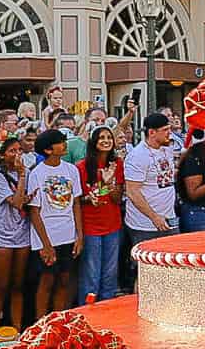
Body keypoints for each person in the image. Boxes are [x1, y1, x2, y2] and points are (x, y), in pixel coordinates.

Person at [26, 129, 83, 317]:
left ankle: (59, 321)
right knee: (46, 280)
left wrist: (79, 236)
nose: (64, 144)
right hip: (46, 236)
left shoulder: (71, 170)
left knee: (64, 279)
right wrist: (46, 244)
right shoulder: (37, 173)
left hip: (68, 233)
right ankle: (41, 324)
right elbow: (34, 211)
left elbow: (75, 203)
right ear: (48, 149)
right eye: (60, 142)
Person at [0, 136, 31, 335]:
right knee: (0, 286)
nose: (17, 154)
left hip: (22, 233)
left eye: (20, 150)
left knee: (18, 286)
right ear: (3, 155)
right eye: (12, 151)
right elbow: (17, 202)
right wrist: (21, 178)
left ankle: (17, 331)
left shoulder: (29, 173)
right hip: (1, 235)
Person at [78, 126, 124, 304]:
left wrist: (109, 182)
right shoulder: (82, 166)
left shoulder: (117, 164)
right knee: (91, 274)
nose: (106, 141)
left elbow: (117, 199)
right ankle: (87, 312)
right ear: (93, 142)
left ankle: (107, 309)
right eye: (101, 138)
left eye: (109, 138)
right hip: (91, 227)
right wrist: (89, 199)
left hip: (112, 225)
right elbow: (78, 199)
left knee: (110, 273)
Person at [124, 113, 179, 254]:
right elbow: (132, 191)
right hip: (145, 225)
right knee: (147, 268)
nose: (169, 133)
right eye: (165, 130)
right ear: (152, 132)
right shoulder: (137, 156)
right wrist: (154, 217)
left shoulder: (166, 147)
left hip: (169, 219)